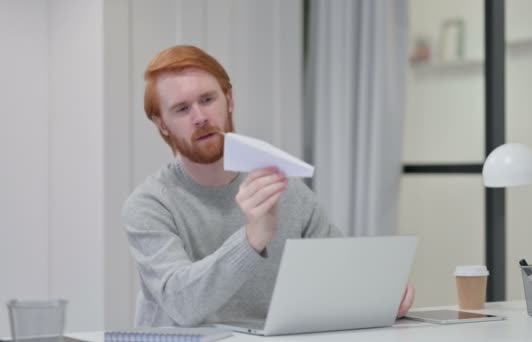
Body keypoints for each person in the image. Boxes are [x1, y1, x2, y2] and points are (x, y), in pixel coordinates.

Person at [122, 45, 415, 327]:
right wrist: (251, 239)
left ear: (229, 99)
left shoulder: (286, 190)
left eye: (208, 100)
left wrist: (381, 289)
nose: (200, 117)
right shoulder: (149, 205)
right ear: (162, 125)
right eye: (182, 109)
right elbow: (181, 305)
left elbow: (338, 271)